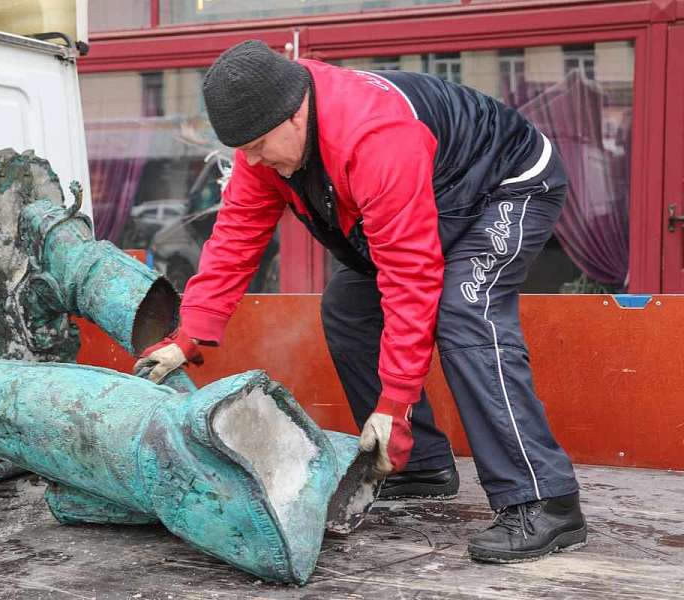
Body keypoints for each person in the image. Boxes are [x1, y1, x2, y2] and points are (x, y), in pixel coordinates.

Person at [133, 40, 586, 564]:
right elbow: (236, 235)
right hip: (430, 198)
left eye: (257, 145)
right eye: (244, 149)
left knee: (467, 310)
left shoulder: (374, 136)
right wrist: (189, 334)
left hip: (506, 186)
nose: (251, 160)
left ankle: (545, 501)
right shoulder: (265, 138)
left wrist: (395, 404)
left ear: (295, 114)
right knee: (348, 307)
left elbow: (409, 275)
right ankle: (422, 468)